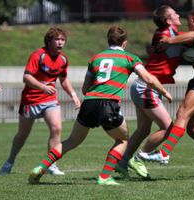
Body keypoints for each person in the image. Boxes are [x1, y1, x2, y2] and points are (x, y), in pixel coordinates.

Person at [28, 25, 173, 185]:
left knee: (71, 141)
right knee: (123, 140)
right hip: (108, 104)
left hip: (89, 102)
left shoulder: (96, 58)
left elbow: (84, 89)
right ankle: (104, 177)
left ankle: (41, 167)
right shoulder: (130, 58)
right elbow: (149, 79)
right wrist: (165, 92)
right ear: (124, 43)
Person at [116, 5, 194, 179]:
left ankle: (122, 163)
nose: (179, 16)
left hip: (143, 85)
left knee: (143, 129)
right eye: (175, 14)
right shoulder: (171, 34)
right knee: (169, 128)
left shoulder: (165, 34)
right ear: (168, 20)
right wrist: (192, 45)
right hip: (148, 86)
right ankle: (140, 157)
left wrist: (185, 48)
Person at [138, 8, 194, 181]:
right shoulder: (190, 34)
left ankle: (164, 153)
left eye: (189, 21)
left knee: (182, 112)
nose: (187, 25)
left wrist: (171, 40)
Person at [0, 27, 81, 176]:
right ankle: (10, 161)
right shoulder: (38, 55)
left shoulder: (63, 59)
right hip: (30, 100)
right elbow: (26, 77)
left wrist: (73, 95)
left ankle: (52, 165)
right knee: (22, 135)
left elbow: (63, 80)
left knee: (56, 128)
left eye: (63, 40)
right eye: (57, 39)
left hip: (50, 100)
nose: (60, 43)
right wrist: (43, 87)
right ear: (49, 41)